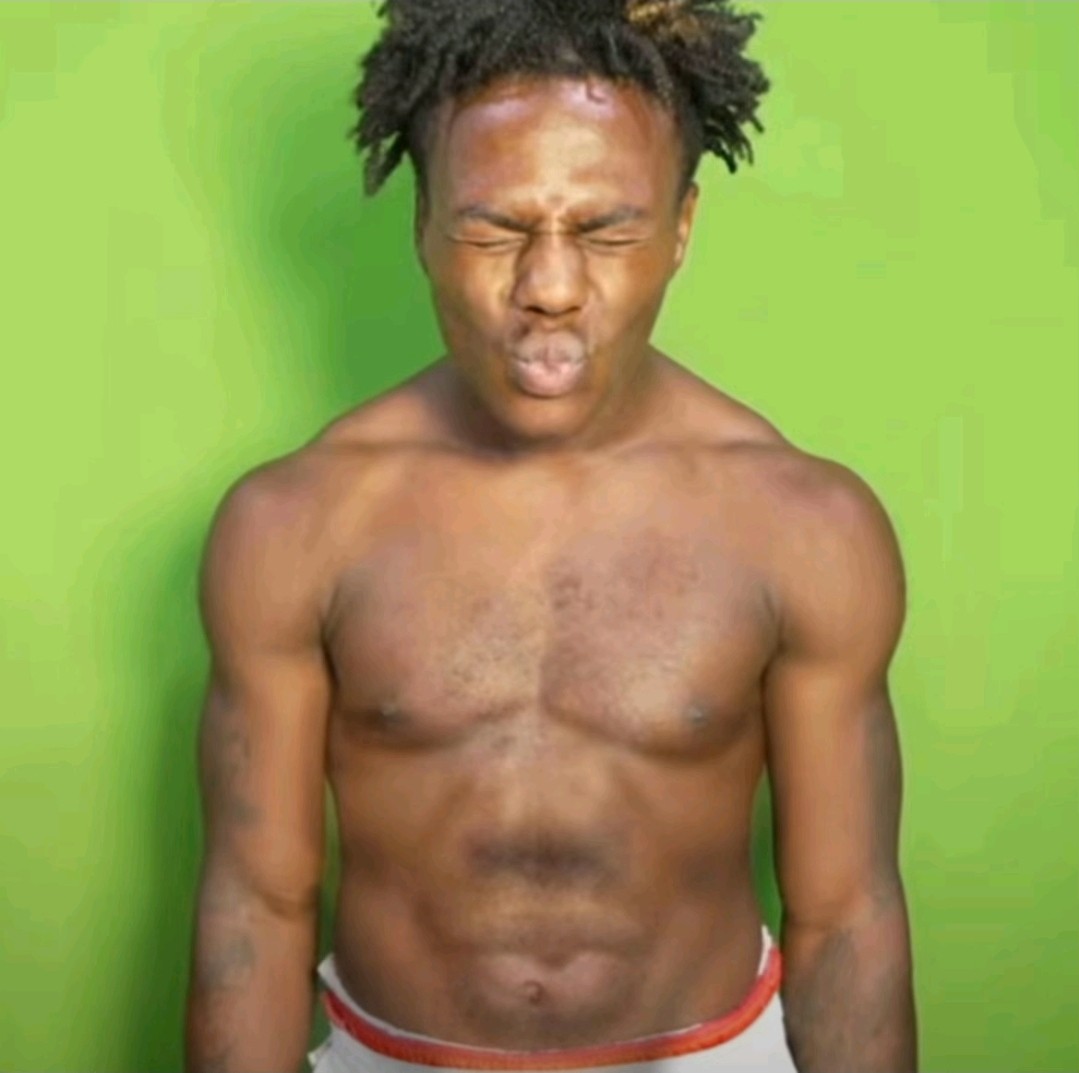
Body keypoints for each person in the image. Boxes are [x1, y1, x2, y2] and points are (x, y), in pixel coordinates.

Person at [184, 0, 917, 1070]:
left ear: (680, 228)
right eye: (493, 229)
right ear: (422, 224)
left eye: (607, 231)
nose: (550, 289)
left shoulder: (805, 525)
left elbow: (847, 911)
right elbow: (254, 901)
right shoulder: (292, 524)